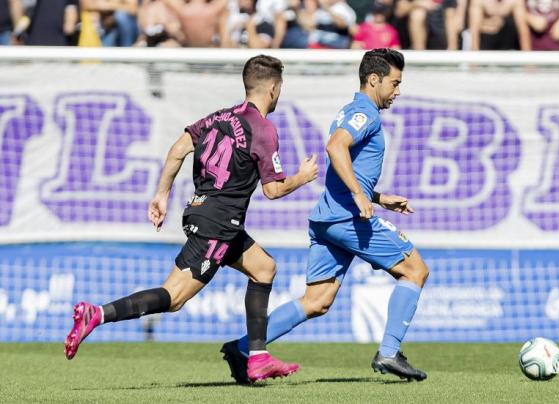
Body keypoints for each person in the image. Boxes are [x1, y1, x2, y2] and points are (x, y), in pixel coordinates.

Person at [64, 55, 319, 383]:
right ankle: (96, 314)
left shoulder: (216, 118)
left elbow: (177, 149)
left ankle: (256, 355)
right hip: (219, 223)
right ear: (274, 87)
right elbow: (273, 189)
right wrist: (302, 176)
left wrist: (161, 194)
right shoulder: (263, 129)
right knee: (174, 297)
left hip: (204, 213)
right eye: (280, 87)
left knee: (264, 268)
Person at [221, 48, 430, 384]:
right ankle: (389, 351)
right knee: (416, 270)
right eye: (394, 83)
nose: (398, 91)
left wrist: (378, 197)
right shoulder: (366, 114)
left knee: (317, 301)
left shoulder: (350, 109)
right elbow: (336, 148)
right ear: (373, 80)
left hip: (327, 218)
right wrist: (362, 197)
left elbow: (340, 163)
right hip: (349, 218)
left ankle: (244, 348)